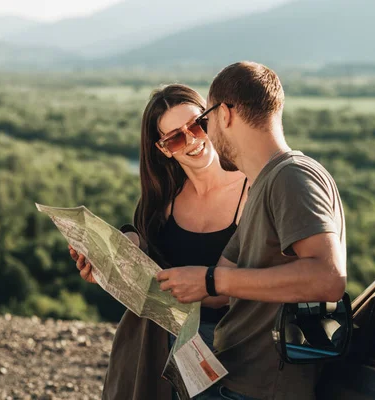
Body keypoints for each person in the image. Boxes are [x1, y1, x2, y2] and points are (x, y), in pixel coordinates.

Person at [157, 62, 347, 400]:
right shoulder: (265, 184)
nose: (207, 132)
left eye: (206, 120)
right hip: (233, 378)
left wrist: (210, 280)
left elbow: (328, 278)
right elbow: (219, 284)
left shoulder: (292, 177)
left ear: (226, 114)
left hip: (264, 388)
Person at [69, 84, 248, 399]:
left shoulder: (253, 190)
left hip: (236, 356)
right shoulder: (163, 200)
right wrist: (112, 258)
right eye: (176, 137)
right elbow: (145, 260)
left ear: (213, 120)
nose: (192, 139)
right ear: (164, 149)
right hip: (163, 350)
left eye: (197, 125)